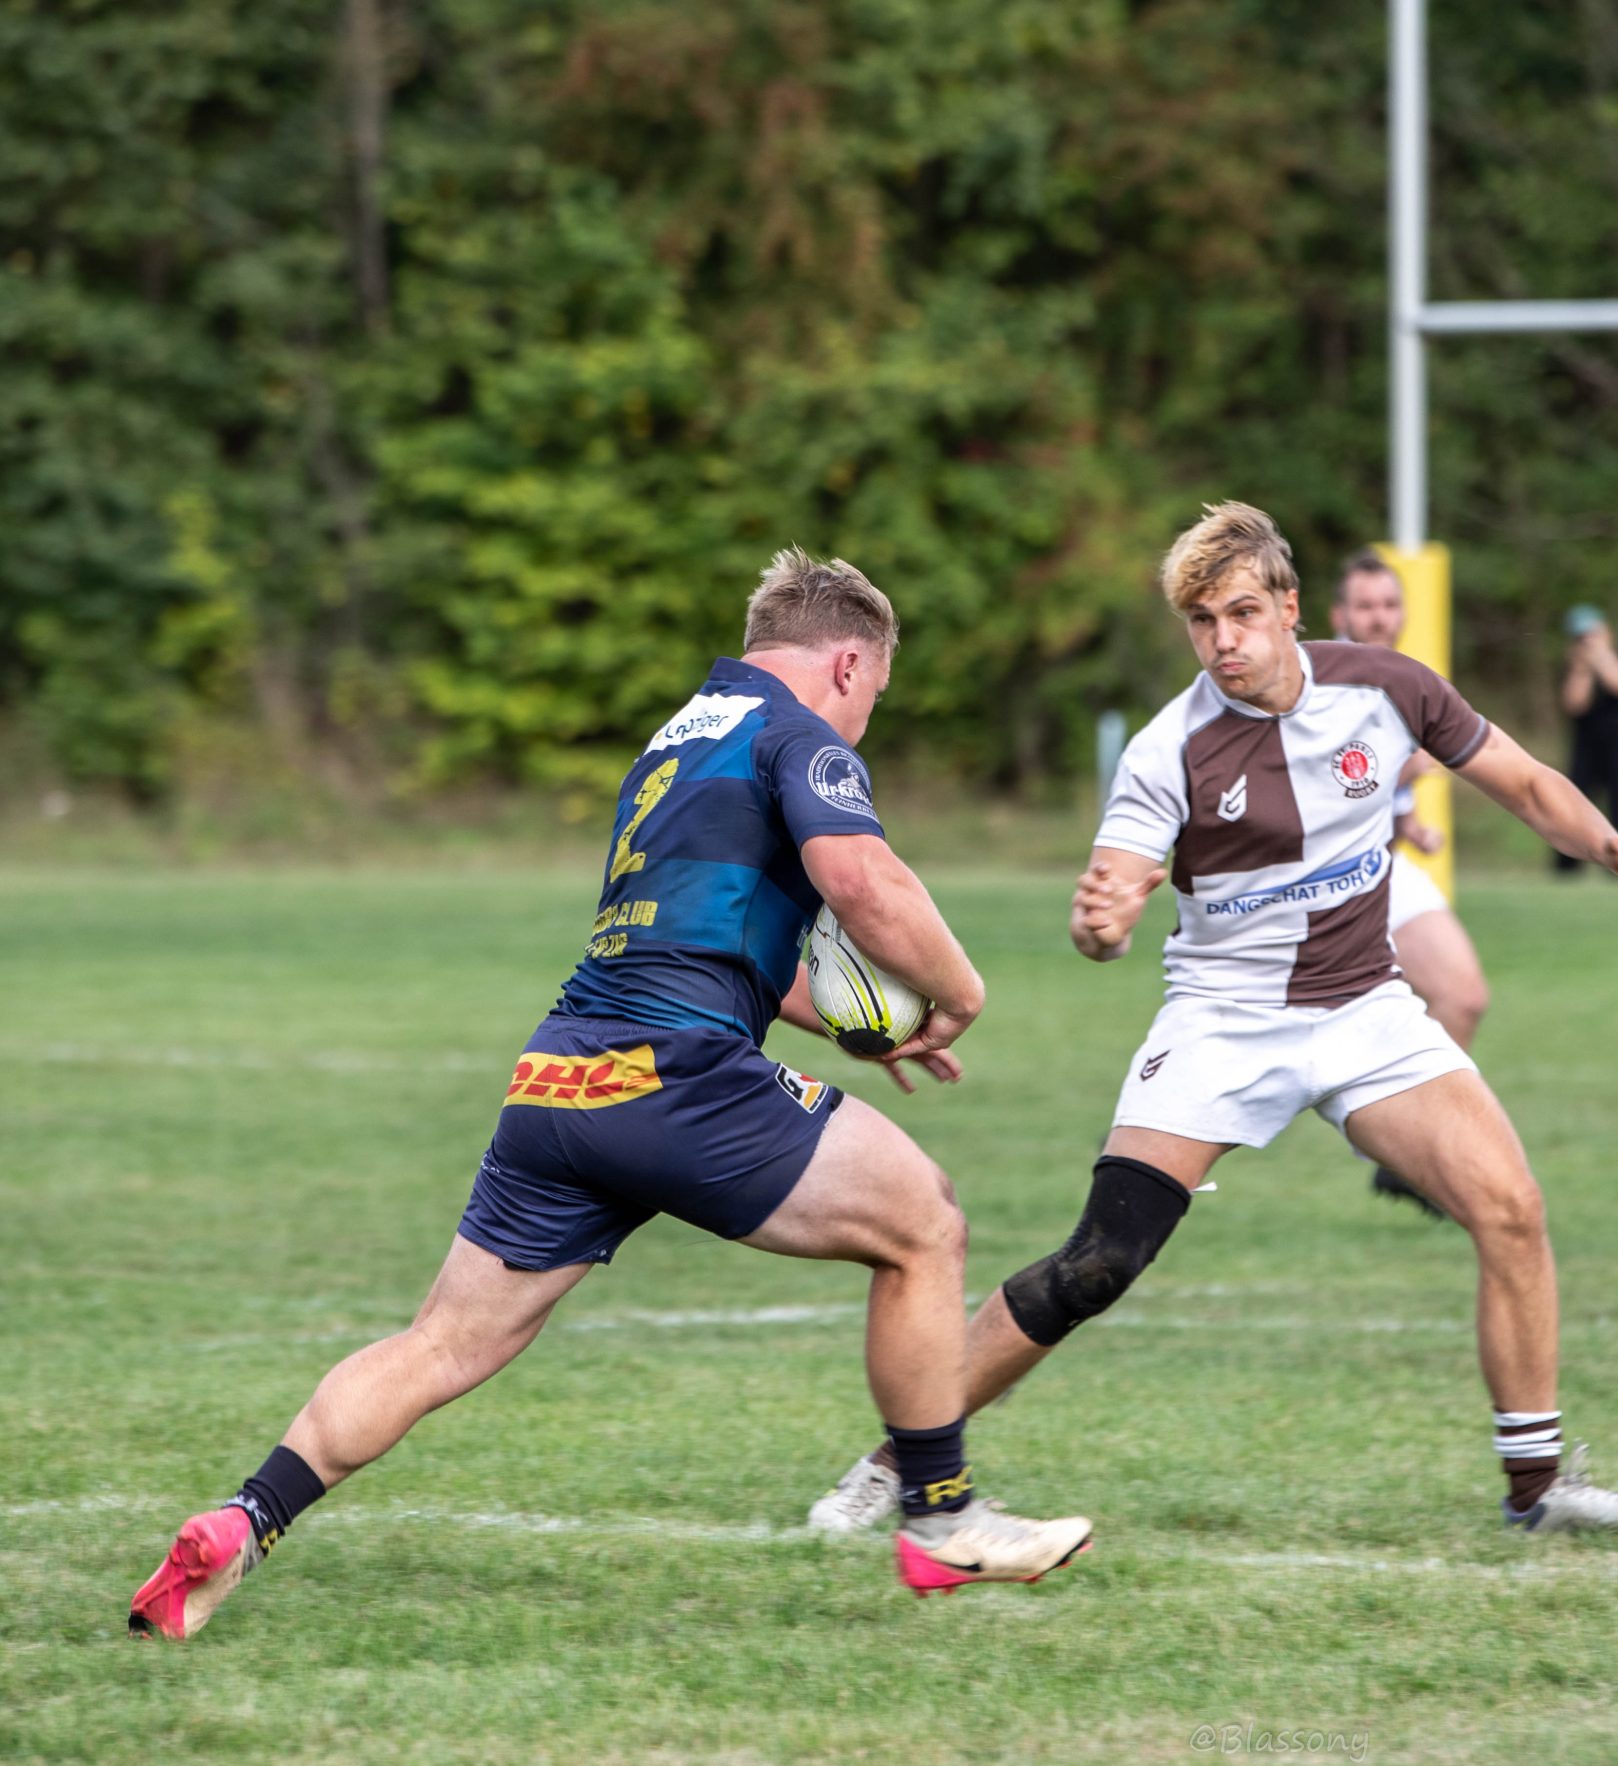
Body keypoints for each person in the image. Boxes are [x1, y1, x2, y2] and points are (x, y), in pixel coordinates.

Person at [127, 550, 1094, 1639]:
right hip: (678, 1074)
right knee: (924, 1222)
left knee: (440, 1341)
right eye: (874, 692)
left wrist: (851, 1029)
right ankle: (942, 1516)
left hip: (562, 1075)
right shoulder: (802, 737)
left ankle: (243, 1519)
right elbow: (863, 881)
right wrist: (961, 991)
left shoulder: (677, 739)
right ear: (847, 663)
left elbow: (709, 939)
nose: (866, 717)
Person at [810, 502, 1618, 1538]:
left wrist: (1611, 846)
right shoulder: (1168, 748)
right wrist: (1102, 923)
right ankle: (898, 1460)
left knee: (1511, 1207)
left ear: (1288, 606)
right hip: (1223, 1020)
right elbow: (1110, 903)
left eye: (1240, 613)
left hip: (1365, 1006)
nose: (1222, 640)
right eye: (1201, 621)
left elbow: (1529, 783)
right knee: (1100, 1259)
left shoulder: (1388, 688)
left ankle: (1538, 1490)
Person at [1331, 552, 1491, 1221]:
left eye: (1390, 604)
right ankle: (1151, 1146)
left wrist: (1412, 826)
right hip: (1321, 882)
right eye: (1366, 605)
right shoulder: (1318, 684)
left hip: (1387, 867)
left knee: (1463, 995)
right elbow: (1322, 785)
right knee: (1269, 1037)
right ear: (1339, 614)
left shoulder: (1404, 679)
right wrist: (1405, 769)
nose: (1379, 617)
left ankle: (1402, 1155)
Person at [1554, 603, 1618, 874]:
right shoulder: (1573, 666)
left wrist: (1601, 657)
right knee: (1573, 806)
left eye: (1592, 634)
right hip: (1585, 747)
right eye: (1581, 637)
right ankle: (1567, 868)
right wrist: (1583, 668)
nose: (1587, 641)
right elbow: (1574, 703)